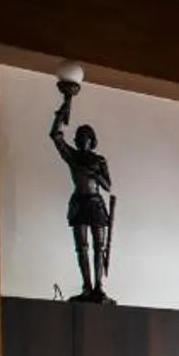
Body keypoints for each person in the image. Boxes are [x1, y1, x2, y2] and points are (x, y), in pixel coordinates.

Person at [50, 64, 115, 302]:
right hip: (79, 202)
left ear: (92, 140)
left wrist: (94, 174)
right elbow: (55, 136)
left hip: (96, 203)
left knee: (99, 248)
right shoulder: (73, 157)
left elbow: (108, 185)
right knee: (82, 249)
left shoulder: (98, 160)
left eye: (85, 138)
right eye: (79, 138)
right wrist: (66, 105)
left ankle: (98, 287)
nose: (82, 141)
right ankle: (87, 286)